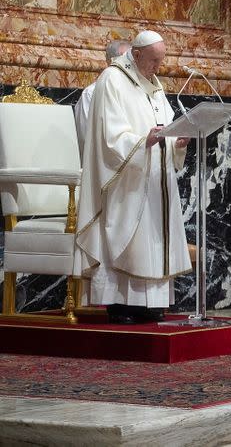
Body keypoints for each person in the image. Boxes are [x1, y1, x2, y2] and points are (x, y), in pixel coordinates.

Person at [73, 30, 192, 324]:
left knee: (153, 238)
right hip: (125, 180)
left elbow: (164, 120)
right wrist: (142, 142)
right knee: (128, 236)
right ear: (136, 55)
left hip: (155, 177)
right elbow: (108, 137)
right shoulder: (111, 80)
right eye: (154, 61)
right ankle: (121, 303)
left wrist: (177, 141)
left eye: (161, 61)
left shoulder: (152, 82)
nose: (157, 67)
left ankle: (152, 303)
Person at [74, 39, 131, 158]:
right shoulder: (90, 94)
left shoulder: (137, 92)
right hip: (104, 163)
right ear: (110, 62)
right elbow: (86, 137)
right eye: (125, 59)